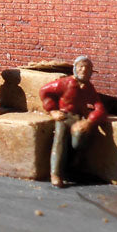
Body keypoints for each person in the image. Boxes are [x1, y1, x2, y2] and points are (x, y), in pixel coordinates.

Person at [40, 55, 107, 187]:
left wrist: (89, 121)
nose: (84, 70)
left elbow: (100, 108)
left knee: (79, 142)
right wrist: (52, 110)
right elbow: (44, 91)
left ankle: (71, 171)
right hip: (64, 117)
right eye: (81, 67)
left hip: (78, 119)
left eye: (87, 68)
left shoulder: (89, 88)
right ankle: (55, 173)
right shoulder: (64, 83)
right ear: (75, 68)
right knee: (59, 140)